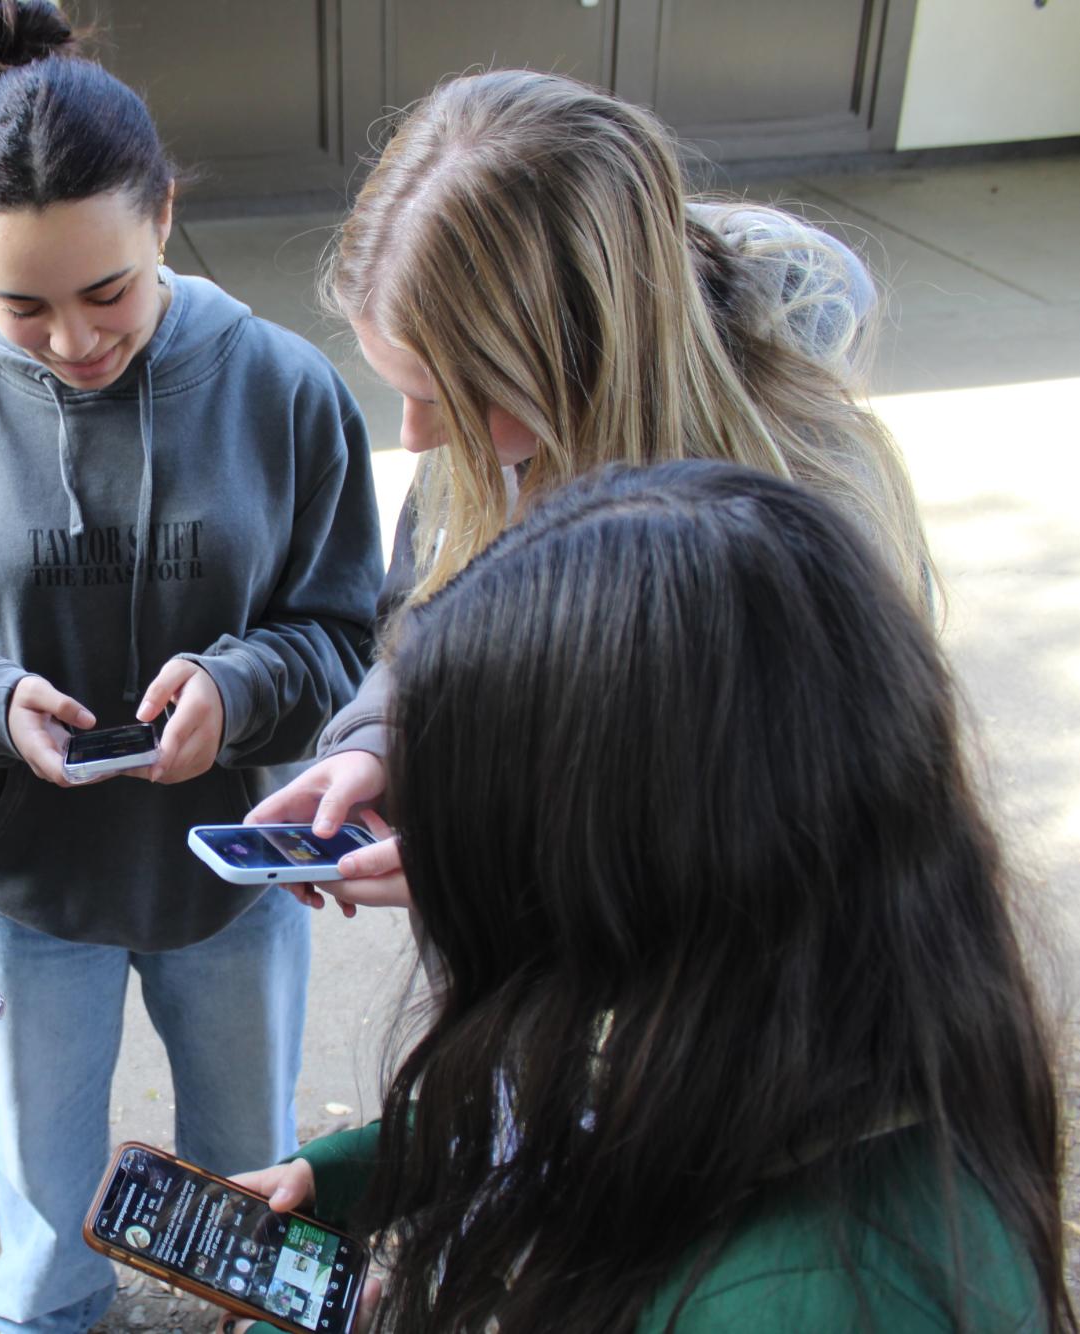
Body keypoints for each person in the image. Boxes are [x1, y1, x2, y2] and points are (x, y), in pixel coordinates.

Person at [222, 462, 1069, 1334]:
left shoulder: (809, 1302)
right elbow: (584, 1135)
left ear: (623, 870)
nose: (441, 868)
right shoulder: (786, 1045)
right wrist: (360, 1178)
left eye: (469, 827)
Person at [0, 3, 383, 1328]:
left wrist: (242, 688)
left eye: (107, 295)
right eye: (18, 304)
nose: (74, 342)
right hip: (24, 886)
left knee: (243, 1193)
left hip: (229, 873)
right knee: (49, 1209)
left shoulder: (282, 387)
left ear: (164, 217)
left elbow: (342, 630)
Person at [248, 70, 933, 914]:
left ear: (578, 357)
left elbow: (771, 858)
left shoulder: (806, 521)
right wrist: (384, 742)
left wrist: (490, 859)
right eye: (404, 387)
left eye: (449, 397)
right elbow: (421, 622)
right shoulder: (496, 434)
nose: (416, 438)